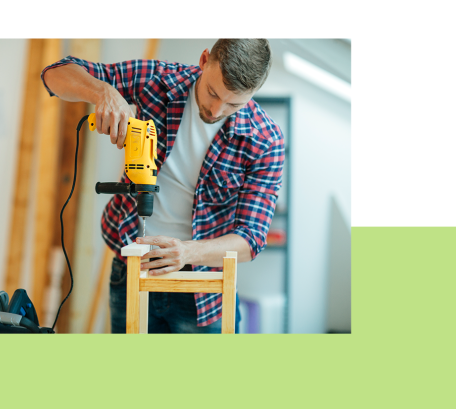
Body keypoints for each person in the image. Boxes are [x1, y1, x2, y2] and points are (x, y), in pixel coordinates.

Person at [41, 39, 284, 333]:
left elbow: (250, 239)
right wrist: (104, 92)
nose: (217, 110)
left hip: (204, 288)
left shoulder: (265, 140)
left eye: (235, 103)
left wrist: (186, 252)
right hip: (131, 266)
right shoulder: (157, 80)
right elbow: (54, 75)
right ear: (204, 60)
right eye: (212, 92)